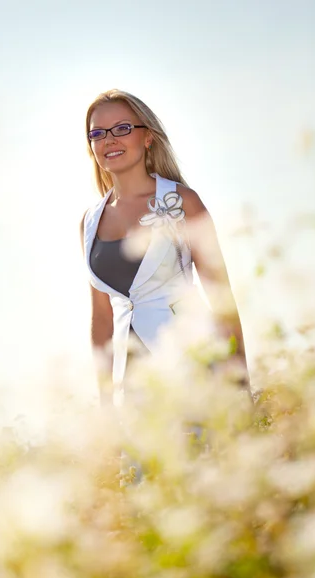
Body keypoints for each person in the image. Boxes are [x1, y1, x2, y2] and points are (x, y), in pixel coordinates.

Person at [80, 89, 249, 406]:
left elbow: (221, 297)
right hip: (130, 386)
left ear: (147, 138)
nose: (109, 140)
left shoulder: (184, 203)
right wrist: (105, 405)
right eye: (98, 133)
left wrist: (241, 385)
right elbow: (102, 319)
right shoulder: (89, 222)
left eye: (122, 128)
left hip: (193, 369)